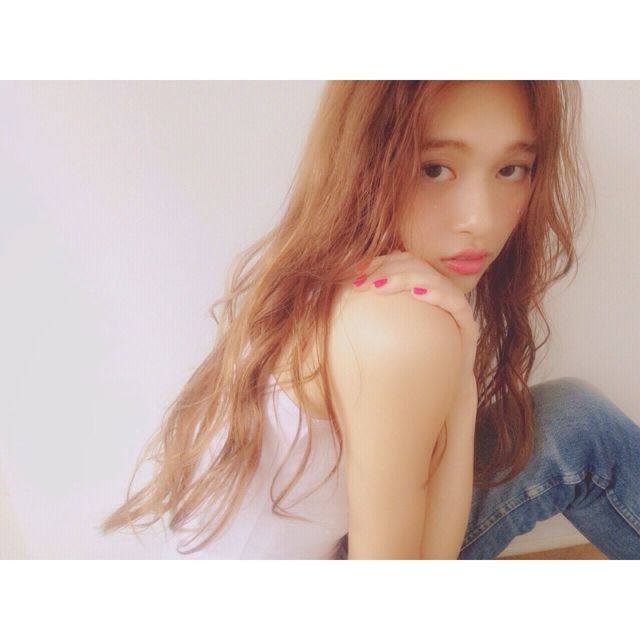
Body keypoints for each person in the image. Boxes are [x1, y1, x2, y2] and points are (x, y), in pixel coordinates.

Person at [99, 81, 640, 559]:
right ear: (367, 159)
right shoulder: (398, 327)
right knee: (585, 434)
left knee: (574, 419)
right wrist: (459, 379)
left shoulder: (323, 259)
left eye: (511, 169)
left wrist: (459, 371)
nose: (480, 219)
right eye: (435, 168)